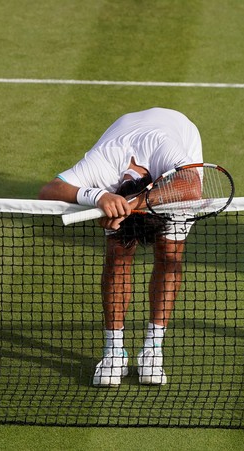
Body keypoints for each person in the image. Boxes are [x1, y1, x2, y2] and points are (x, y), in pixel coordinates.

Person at [38, 107, 202, 386]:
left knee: (170, 254)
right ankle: (114, 351)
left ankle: (153, 349)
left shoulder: (165, 148)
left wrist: (136, 204)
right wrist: (99, 197)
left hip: (176, 148)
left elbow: (193, 186)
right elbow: (48, 192)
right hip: (123, 141)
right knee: (117, 255)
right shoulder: (103, 165)